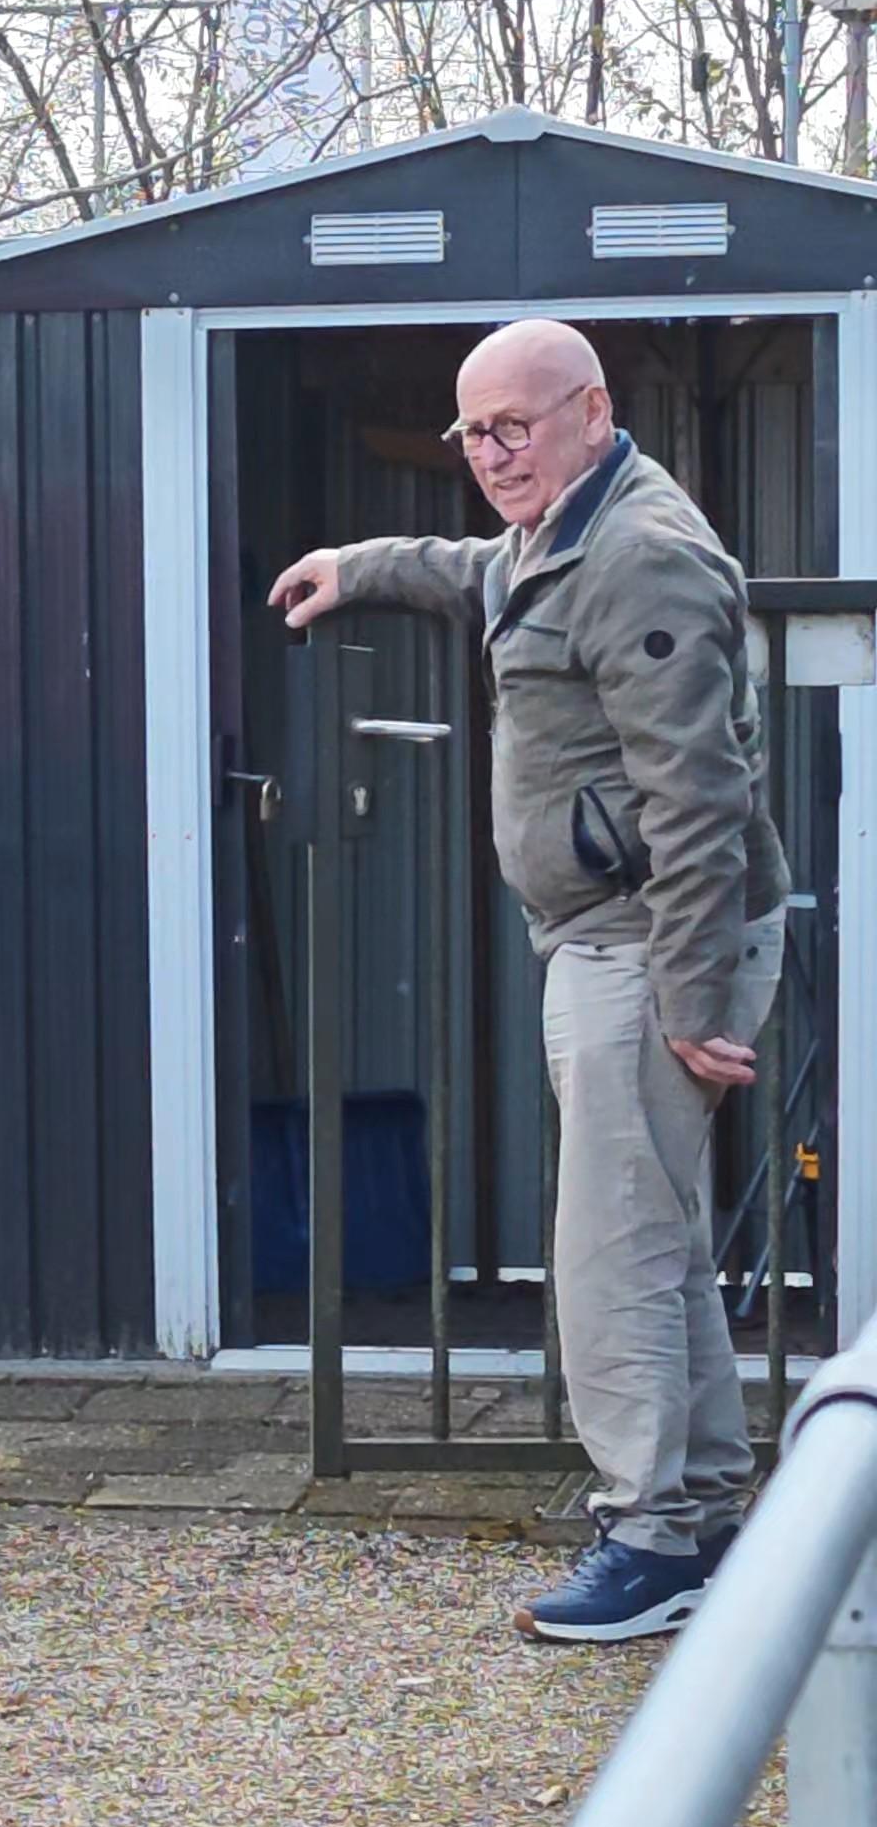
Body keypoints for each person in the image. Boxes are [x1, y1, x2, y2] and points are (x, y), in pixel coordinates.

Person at [271, 318, 789, 1646]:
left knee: (608, 1250)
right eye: (473, 433)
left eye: (516, 426)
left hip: (648, 940)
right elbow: (481, 572)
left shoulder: (643, 556)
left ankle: (652, 1532)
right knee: (655, 1232)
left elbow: (698, 800)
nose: (492, 455)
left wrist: (691, 999)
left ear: (591, 408)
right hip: (615, 938)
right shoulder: (565, 528)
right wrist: (362, 564)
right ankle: (711, 1515)